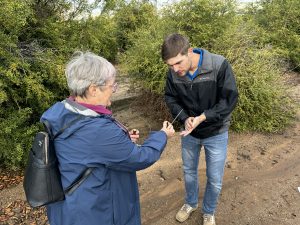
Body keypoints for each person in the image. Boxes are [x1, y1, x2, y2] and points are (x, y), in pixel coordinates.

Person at [42, 51, 175, 225]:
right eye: (112, 86)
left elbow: (91, 151)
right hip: (95, 212)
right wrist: (162, 135)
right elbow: (141, 158)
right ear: (93, 89)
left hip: (71, 205)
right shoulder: (95, 129)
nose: (114, 90)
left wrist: (121, 140)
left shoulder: (63, 111)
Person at [161, 33, 238, 225]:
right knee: (189, 172)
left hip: (216, 132)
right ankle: (190, 203)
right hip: (190, 133)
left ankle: (209, 211)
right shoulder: (174, 72)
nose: (174, 69)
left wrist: (203, 117)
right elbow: (170, 98)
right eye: (170, 65)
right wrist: (186, 118)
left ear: (189, 51)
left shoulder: (219, 65)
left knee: (214, 178)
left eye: (178, 63)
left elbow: (229, 99)